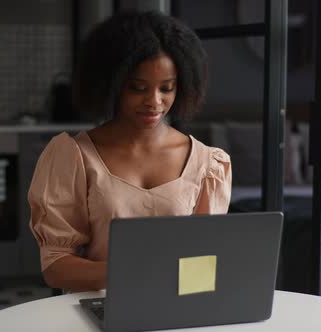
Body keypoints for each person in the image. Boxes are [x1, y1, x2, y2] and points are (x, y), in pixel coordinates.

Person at [28, 10, 232, 293]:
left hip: (176, 311)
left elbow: (203, 265)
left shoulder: (207, 164)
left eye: (167, 88)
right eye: (138, 88)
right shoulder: (73, 155)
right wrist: (137, 272)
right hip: (96, 308)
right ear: (111, 83)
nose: (154, 101)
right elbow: (56, 266)